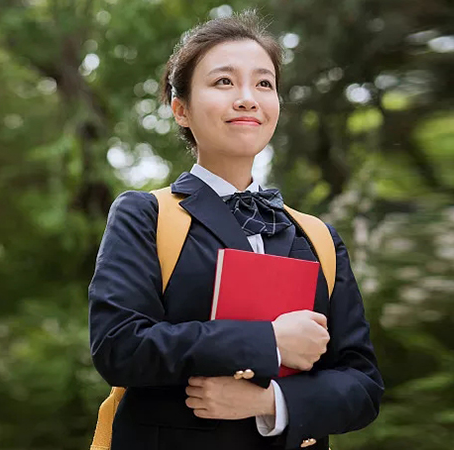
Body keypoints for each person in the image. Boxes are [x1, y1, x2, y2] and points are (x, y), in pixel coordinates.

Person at [87, 11, 383, 450]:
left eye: (264, 83)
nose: (247, 98)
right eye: (224, 82)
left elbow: (363, 386)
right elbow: (119, 347)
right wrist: (269, 343)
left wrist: (270, 402)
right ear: (181, 109)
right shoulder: (146, 215)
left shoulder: (318, 236)